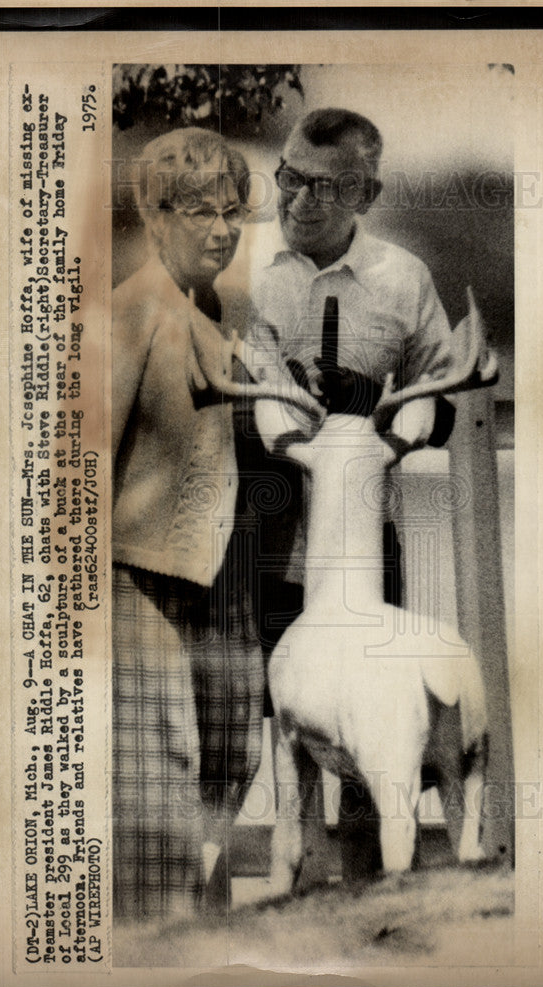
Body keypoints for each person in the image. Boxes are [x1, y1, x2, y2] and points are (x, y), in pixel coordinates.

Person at [219, 108, 458, 882]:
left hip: (360, 550)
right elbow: (215, 403)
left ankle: (370, 893)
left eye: (325, 187)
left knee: (373, 720)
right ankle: (285, 885)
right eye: (289, 177)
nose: (298, 201)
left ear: (367, 193)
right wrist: (276, 419)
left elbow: (445, 405)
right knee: (276, 720)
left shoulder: (403, 280)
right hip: (260, 537)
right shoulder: (246, 271)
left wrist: (374, 403)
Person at [111, 127, 264, 919]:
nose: (220, 229)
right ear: (154, 214)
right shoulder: (132, 312)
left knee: (232, 754)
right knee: (161, 757)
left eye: (233, 212)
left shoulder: (214, 311)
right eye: (199, 211)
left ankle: (198, 924)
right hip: (133, 580)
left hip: (210, 580)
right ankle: (152, 936)